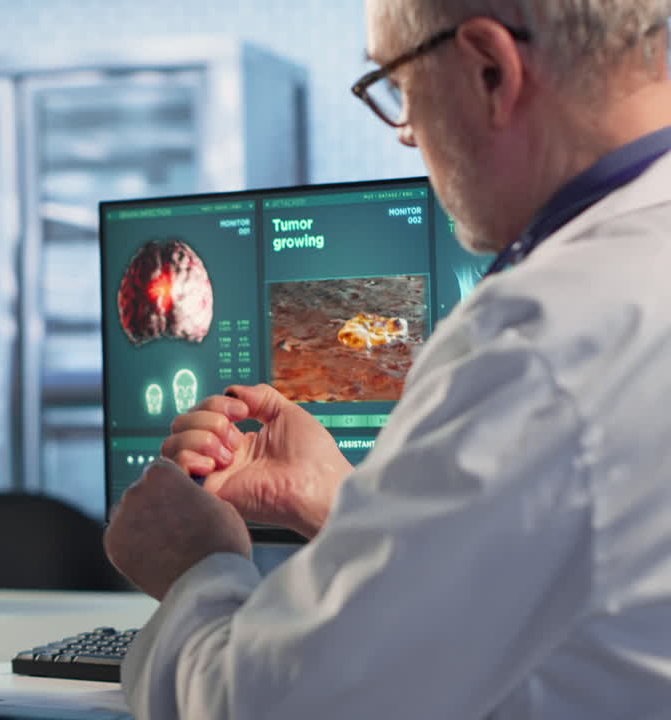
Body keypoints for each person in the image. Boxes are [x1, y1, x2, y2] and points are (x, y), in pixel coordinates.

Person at [104, 1, 671, 717]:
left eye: (399, 87)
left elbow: (280, 707)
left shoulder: (544, 338)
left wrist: (196, 568)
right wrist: (338, 501)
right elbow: (551, 567)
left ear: (489, 69)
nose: (406, 134)